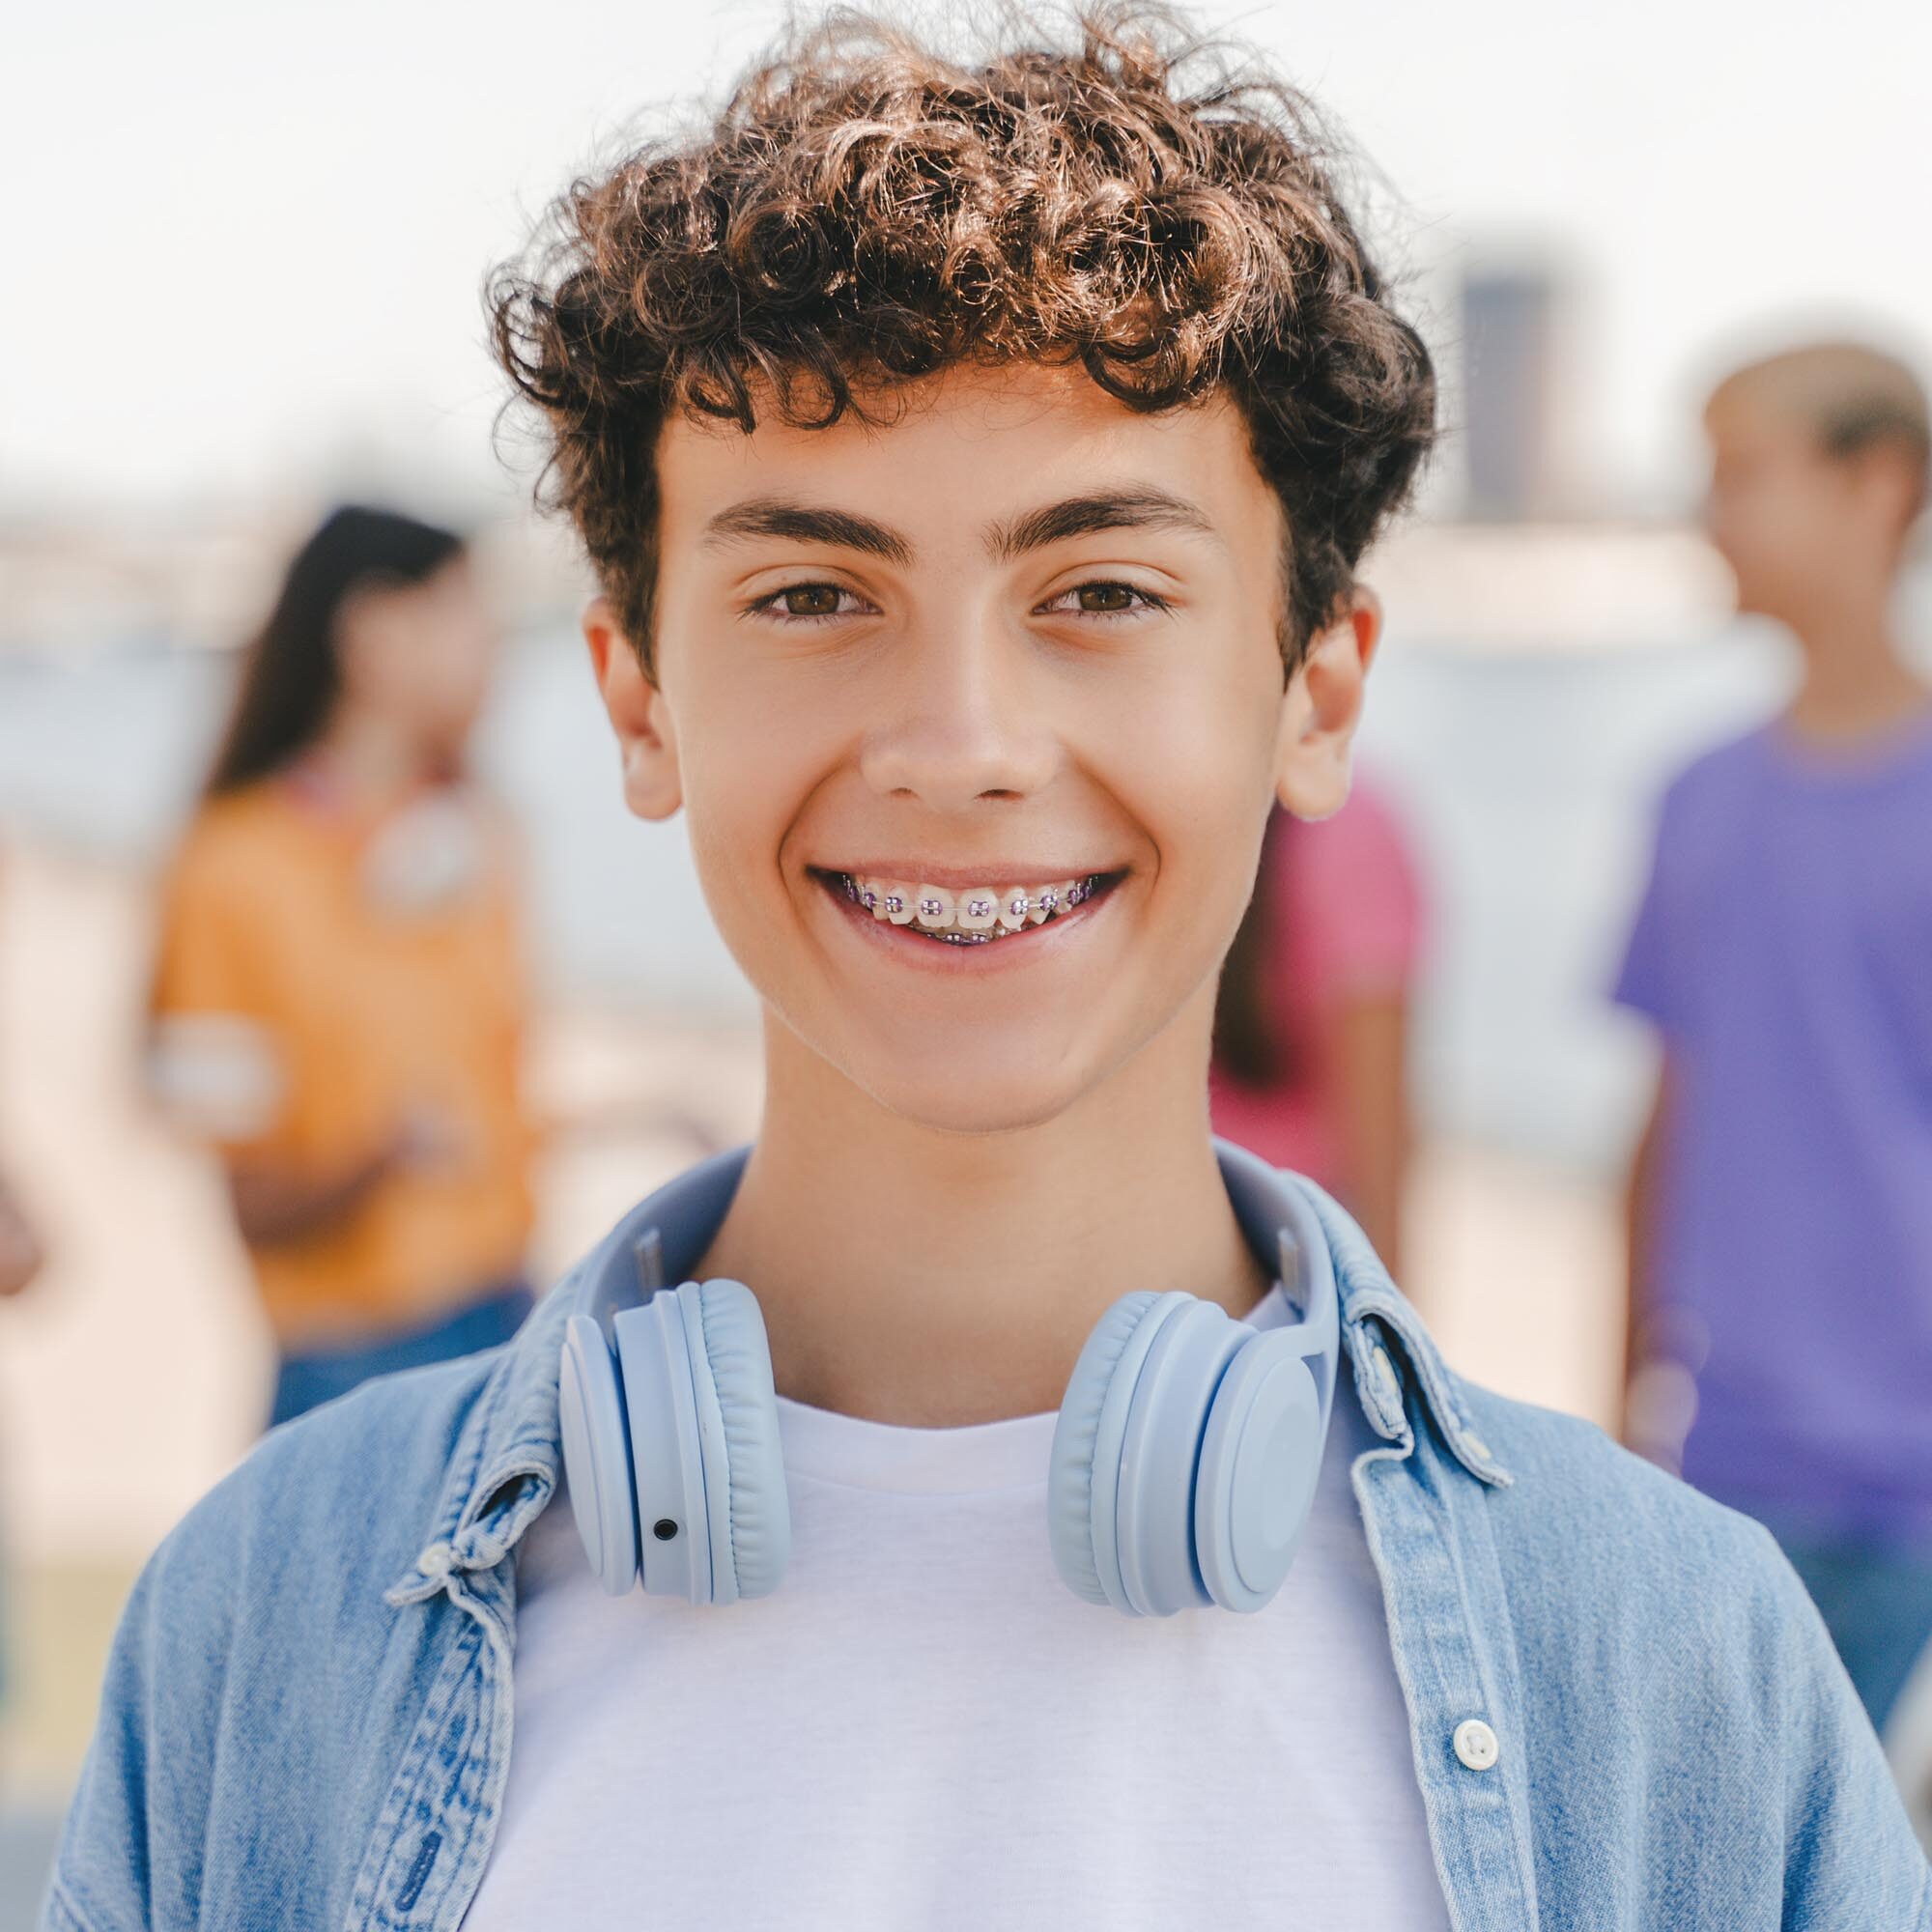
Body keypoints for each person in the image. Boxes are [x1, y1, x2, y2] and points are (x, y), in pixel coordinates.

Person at [45, 16, 1929, 1929]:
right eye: (811, 592)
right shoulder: (254, 1623)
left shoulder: (1679, 1669)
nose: (959, 744)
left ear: (1317, 688)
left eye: (1100, 591)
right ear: (635, 697)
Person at [1616, 338, 1932, 1739]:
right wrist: (1618, 1394)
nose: (1709, 514)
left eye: (1743, 474)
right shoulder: (1696, 796)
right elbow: (1665, 1117)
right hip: (1722, 1453)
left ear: (1880, 487)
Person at [143, 506, 538, 1427]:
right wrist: (383, 1156)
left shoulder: (475, 837)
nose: (492, 645)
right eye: (459, 612)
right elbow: (249, 1201)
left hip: (511, 1318)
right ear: (371, 633)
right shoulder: (226, 871)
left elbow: (494, 1102)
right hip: (348, 1375)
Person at [1209, 784, 1422, 1270]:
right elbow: (1380, 1142)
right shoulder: (1352, 829)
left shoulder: (1344, 835)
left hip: (1259, 1253)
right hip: (1284, 1251)